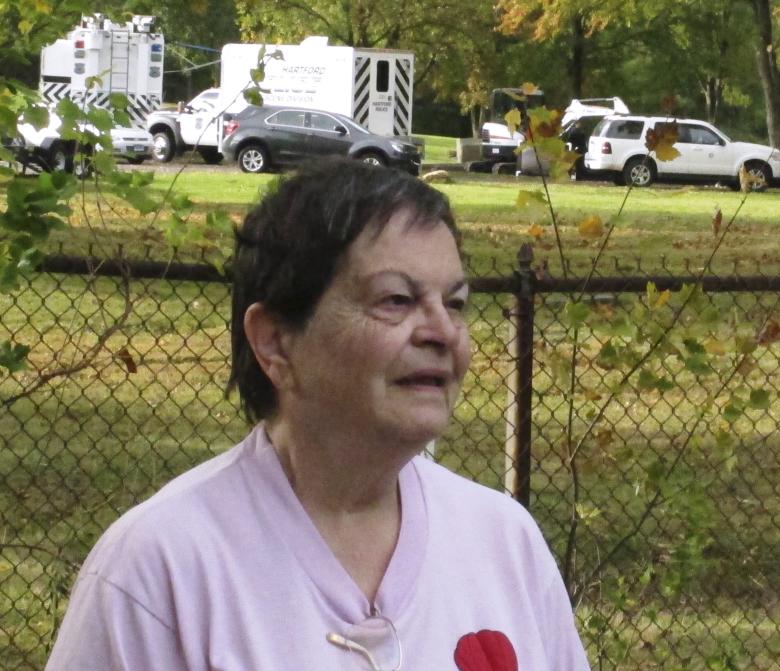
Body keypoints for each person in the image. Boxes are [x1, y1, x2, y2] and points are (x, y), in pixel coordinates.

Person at [46, 158, 590, 670]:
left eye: (455, 303)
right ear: (276, 343)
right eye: (396, 300)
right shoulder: (160, 571)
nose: (442, 332)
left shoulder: (504, 542)